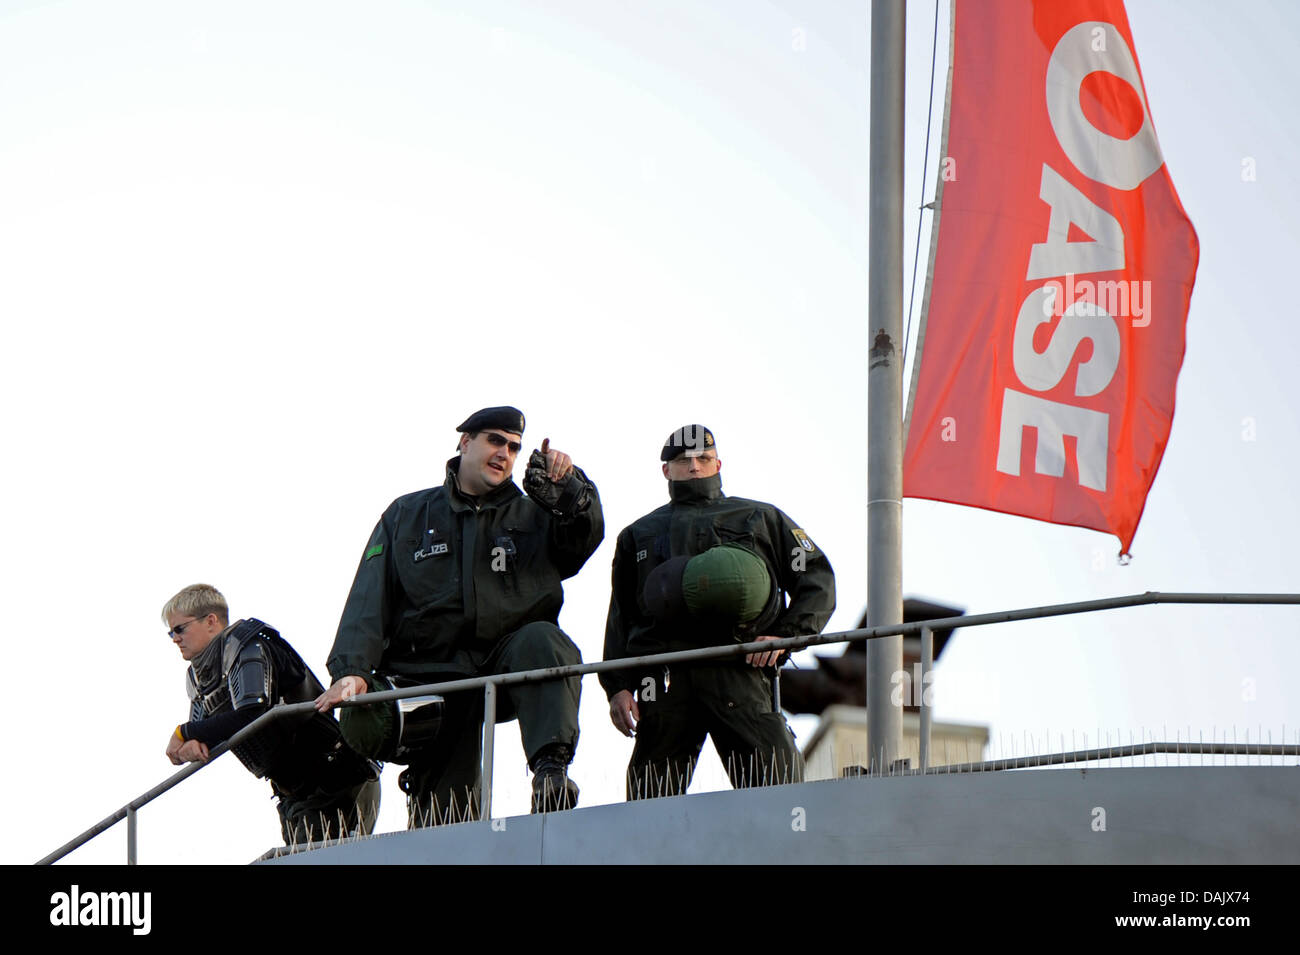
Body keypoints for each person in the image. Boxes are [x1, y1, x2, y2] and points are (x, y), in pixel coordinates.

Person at [315, 406, 603, 825]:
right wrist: (353, 668)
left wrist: (573, 493)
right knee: (445, 823)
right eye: (495, 440)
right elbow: (368, 597)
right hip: (433, 676)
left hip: (508, 659)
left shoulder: (535, 513)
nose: (505, 453)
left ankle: (550, 772)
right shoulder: (407, 515)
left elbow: (581, 543)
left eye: (514, 447)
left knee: (546, 641)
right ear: (465, 442)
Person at [602, 424, 835, 798]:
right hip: (664, 679)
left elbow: (817, 580)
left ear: (718, 463)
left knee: (777, 790)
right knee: (647, 805)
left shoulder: (759, 517)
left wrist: (786, 636)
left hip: (740, 668)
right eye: (683, 460)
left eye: (703, 458)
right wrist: (618, 686)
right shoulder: (638, 535)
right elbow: (622, 614)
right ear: (666, 470)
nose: (694, 467)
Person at [163, 583, 380, 846]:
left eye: (180, 629)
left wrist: (184, 732)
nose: (175, 638)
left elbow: (252, 713)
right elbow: (206, 733)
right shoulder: (197, 677)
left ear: (211, 621)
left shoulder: (247, 646)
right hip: (294, 793)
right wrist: (188, 745)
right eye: (170, 632)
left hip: (335, 778)